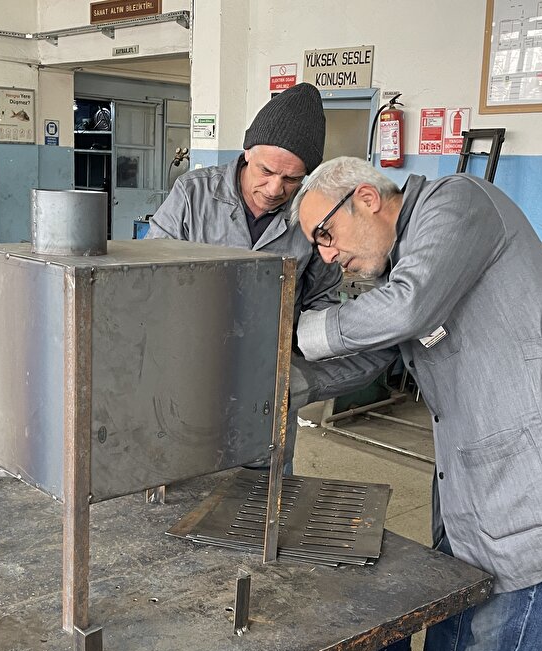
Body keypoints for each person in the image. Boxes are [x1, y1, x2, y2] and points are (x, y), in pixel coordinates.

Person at [289, 156, 542, 651]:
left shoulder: (456, 201)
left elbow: (406, 310)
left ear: (366, 199)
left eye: (325, 234)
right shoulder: (406, 257)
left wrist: (296, 329)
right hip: (476, 462)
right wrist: (288, 382)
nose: (327, 256)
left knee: (499, 643)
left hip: (537, 460)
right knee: (456, 616)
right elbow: (378, 354)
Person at [148, 83, 388, 472]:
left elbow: (322, 300)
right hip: (186, 375)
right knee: (183, 479)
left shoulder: (311, 216)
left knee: (262, 488)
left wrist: (292, 360)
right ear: (247, 153)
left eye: (292, 179)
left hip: (266, 383)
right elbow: (148, 282)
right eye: (267, 171)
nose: (276, 189)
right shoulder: (192, 197)